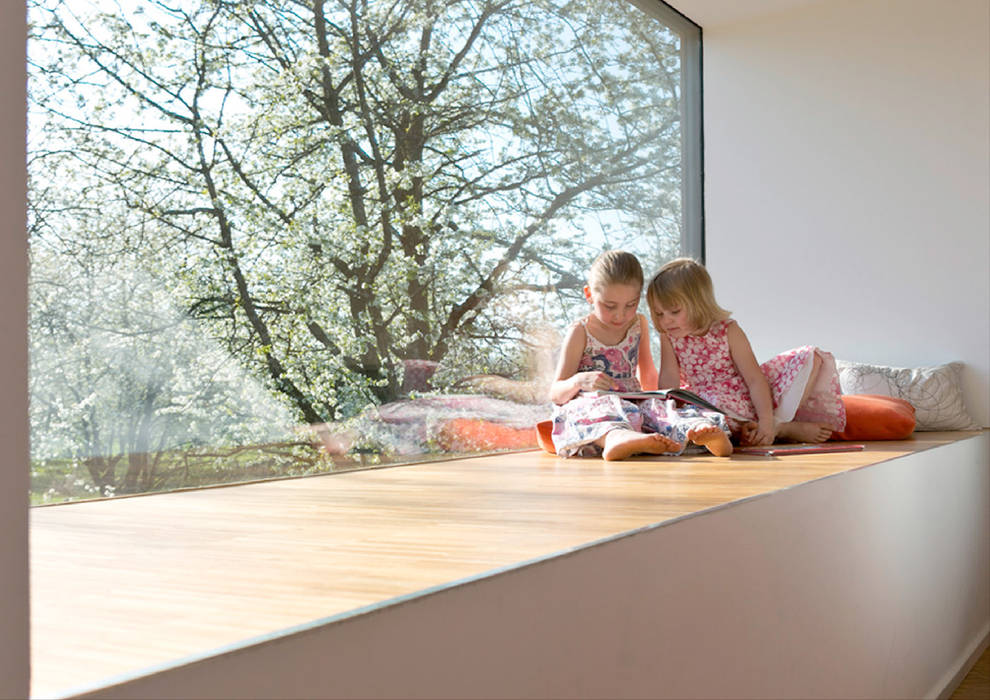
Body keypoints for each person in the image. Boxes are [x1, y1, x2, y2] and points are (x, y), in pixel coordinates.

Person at [550, 250, 733, 460]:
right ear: (589, 295)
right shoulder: (580, 331)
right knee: (598, 410)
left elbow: (647, 374)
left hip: (632, 400)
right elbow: (555, 393)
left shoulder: (638, 323)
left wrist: (660, 402)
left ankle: (699, 430)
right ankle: (615, 438)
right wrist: (579, 381)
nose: (621, 315)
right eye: (610, 306)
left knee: (661, 410)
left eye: (631, 305)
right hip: (592, 401)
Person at [646, 258, 846, 445]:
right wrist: (666, 413)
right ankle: (764, 431)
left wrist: (766, 420)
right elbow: (669, 378)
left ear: (699, 303)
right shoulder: (669, 337)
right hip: (704, 402)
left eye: (674, 312)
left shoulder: (728, 330)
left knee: (809, 356)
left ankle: (775, 426)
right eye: (659, 313)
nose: (666, 320)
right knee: (688, 416)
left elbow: (754, 379)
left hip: (740, 398)